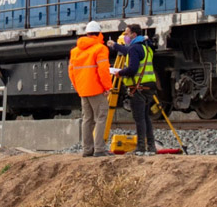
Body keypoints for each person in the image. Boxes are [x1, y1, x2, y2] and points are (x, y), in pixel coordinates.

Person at [107, 24, 158, 156]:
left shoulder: (134, 48)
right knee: (146, 117)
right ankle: (151, 146)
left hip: (138, 88)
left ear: (134, 34)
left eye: (127, 33)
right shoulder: (146, 47)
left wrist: (119, 73)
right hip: (149, 86)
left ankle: (141, 147)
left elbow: (132, 69)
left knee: (139, 118)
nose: (125, 36)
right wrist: (115, 45)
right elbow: (128, 51)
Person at [68, 21, 113, 157]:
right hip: (97, 89)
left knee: (87, 119)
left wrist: (79, 88)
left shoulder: (75, 51)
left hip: (83, 90)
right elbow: (103, 70)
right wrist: (107, 87)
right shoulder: (100, 48)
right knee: (100, 117)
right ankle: (99, 149)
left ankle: (87, 149)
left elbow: (71, 72)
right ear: (99, 33)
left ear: (86, 34)